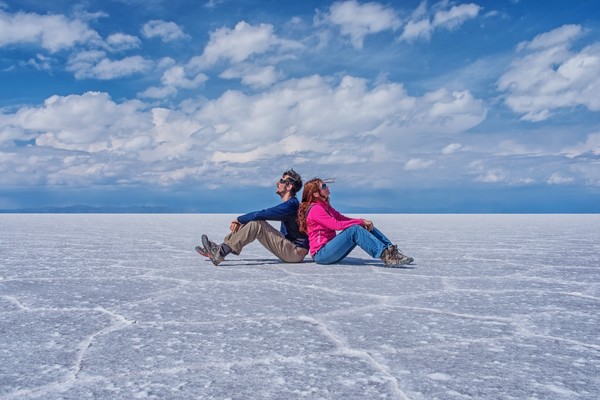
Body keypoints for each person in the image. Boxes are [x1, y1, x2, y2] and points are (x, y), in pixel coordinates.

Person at [198, 169, 309, 266]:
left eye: (281, 181)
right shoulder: (290, 204)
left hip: (295, 252)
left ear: (289, 186)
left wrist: (239, 219)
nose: (277, 183)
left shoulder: (291, 205)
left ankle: (219, 252)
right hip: (290, 247)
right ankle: (218, 250)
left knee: (258, 224)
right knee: (257, 222)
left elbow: (264, 213)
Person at [297, 178, 413, 267]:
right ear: (316, 194)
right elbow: (336, 225)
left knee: (361, 226)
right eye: (323, 186)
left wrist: (363, 222)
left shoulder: (325, 206)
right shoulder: (315, 209)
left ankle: (391, 251)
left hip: (330, 251)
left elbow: (342, 218)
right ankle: (385, 256)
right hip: (321, 254)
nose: (327, 187)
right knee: (355, 229)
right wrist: (360, 222)